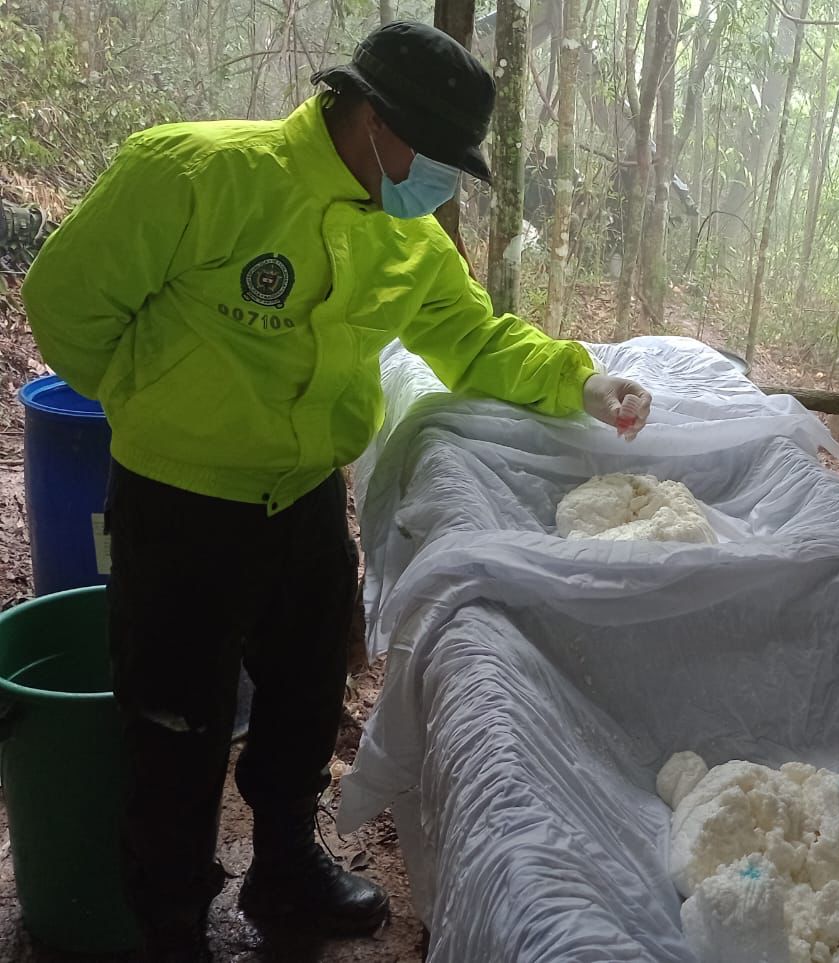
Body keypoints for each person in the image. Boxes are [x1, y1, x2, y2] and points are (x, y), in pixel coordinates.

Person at [22, 20, 651, 962]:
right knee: (175, 725)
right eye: (432, 157)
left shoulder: (410, 242)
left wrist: (582, 381)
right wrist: (165, 402)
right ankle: (172, 924)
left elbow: (474, 341)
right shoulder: (197, 175)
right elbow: (66, 304)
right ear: (370, 119)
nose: (438, 181)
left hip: (308, 502)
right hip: (179, 504)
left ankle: (286, 868)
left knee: (303, 701)